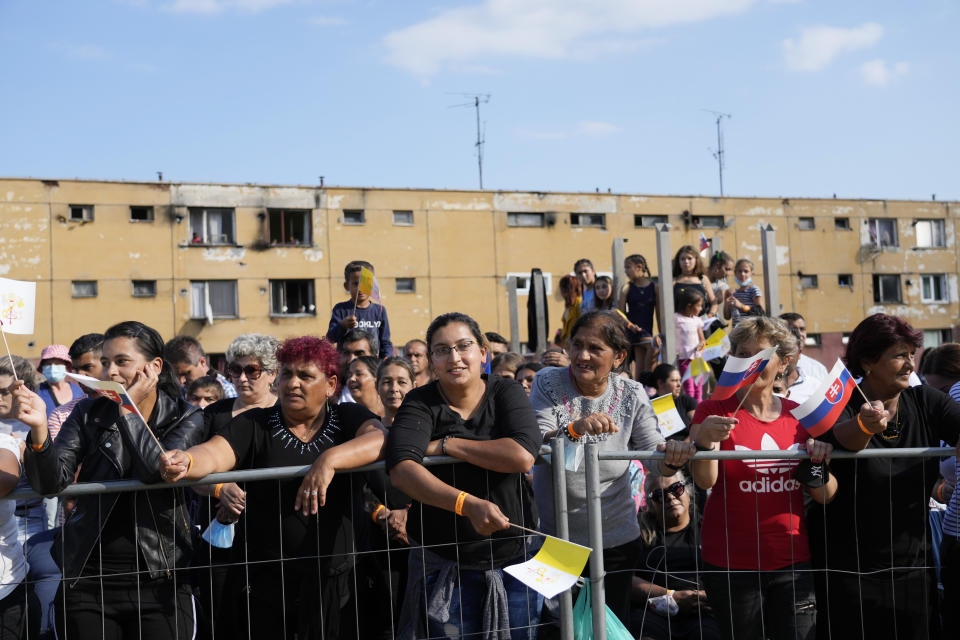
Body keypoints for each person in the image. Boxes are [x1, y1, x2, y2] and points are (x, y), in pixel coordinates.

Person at [160, 336, 386, 638]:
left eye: (305, 376)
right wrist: (185, 460)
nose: (293, 383)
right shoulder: (257, 423)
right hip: (269, 579)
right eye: (287, 374)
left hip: (338, 579)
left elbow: (380, 439)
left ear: (331, 385)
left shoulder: (347, 418)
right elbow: (215, 452)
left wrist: (330, 459)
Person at [16, 320, 206, 640]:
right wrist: (38, 434)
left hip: (161, 580)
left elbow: (154, 472)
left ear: (154, 366)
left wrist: (127, 411)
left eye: (122, 361)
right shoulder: (88, 412)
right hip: (88, 579)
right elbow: (51, 483)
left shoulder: (185, 416)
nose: (111, 372)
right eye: (106, 362)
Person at [531, 311, 695, 624]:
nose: (582, 355)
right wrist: (574, 429)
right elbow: (538, 442)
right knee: (559, 627)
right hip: (558, 538)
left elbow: (653, 453)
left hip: (616, 538)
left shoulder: (632, 393)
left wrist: (673, 452)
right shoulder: (547, 381)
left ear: (619, 356)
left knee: (609, 625)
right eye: (576, 345)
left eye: (595, 348)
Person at [386, 312, 543, 639]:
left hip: (515, 558)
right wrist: (466, 504)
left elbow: (521, 454)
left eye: (464, 346)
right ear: (431, 360)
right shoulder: (420, 402)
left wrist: (449, 444)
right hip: (445, 564)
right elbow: (402, 468)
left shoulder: (506, 392)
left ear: (483, 353)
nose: (454, 358)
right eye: (442, 350)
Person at [808, 314, 960, 640]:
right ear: (868, 361)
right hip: (848, 570)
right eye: (899, 355)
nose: (910, 364)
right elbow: (832, 448)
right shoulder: (839, 403)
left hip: (913, 567)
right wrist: (864, 426)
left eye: (911, 354)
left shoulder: (925, 400)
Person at [689, 315, 836, 640]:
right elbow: (705, 481)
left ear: (784, 362)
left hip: (792, 561)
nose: (749, 363)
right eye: (741, 355)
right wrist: (705, 439)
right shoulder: (713, 410)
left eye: (759, 355)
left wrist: (817, 460)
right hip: (729, 563)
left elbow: (825, 494)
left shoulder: (801, 415)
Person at [193, 332, 279, 639]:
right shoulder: (212, 415)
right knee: (220, 614)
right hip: (218, 533)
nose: (242, 378)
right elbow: (189, 472)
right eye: (235, 370)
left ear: (272, 373)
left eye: (251, 370)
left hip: (273, 534)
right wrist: (219, 488)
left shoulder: (287, 413)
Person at [631, 472, 720, 640]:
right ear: (649, 504)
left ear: (687, 491)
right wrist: (671, 596)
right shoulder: (640, 534)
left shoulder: (710, 527)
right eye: (659, 495)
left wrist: (709, 595)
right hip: (652, 610)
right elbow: (628, 579)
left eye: (676, 488)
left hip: (703, 609)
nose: (670, 498)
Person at [919, 342, 960, 635]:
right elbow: (941, 477)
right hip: (952, 526)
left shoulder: (958, 393)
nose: (941, 401)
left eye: (943, 392)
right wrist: (941, 488)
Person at [326, 260, 393, 358]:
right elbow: (330, 338)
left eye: (365, 283)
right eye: (356, 284)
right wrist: (342, 326)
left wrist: (387, 357)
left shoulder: (380, 310)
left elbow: (385, 341)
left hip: (372, 365)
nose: (360, 288)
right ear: (346, 286)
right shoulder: (340, 309)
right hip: (348, 363)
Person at [619, 253, 659, 379]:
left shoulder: (654, 287)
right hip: (633, 331)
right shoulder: (627, 288)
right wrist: (630, 326)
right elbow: (620, 314)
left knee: (639, 372)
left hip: (647, 330)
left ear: (639, 267)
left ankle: (644, 385)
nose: (625, 271)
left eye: (628, 267)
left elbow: (659, 313)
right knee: (653, 345)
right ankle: (649, 380)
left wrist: (662, 333)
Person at [163, 335, 237, 398]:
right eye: (176, 375)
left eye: (187, 373)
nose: (181, 381)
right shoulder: (179, 393)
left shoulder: (227, 392)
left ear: (202, 362)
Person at [777, 312, 828, 403]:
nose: (800, 334)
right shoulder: (766, 377)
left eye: (802, 329)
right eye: (793, 329)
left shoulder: (818, 369)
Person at [674, 287, 706, 402]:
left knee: (698, 387)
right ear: (689, 305)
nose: (701, 308)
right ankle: (691, 410)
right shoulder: (676, 318)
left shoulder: (696, 320)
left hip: (697, 359)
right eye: (699, 305)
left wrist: (701, 345)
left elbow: (702, 339)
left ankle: (699, 409)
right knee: (689, 387)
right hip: (684, 359)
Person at [35, 344, 83, 418]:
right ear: (43, 367)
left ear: (66, 366)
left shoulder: (78, 391)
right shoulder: (37, 392)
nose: (52, 367)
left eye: (57, 363)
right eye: (48, 364)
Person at [643, 364, 697, 429]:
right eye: (674, 380)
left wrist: (684, 440)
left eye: (680, 380)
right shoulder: (649, 405)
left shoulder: (687, 402)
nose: (679, 384)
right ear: (660, 383)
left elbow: (697, 429)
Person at [672, 245, 717, 318]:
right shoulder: (673, 280)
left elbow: (714, 302)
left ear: (696, 260)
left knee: (721, 330)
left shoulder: (703, 279)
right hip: (680, 324)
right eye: (682, 259)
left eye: (689, 258)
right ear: (678, 261)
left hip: (702, 324)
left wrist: (710, 316)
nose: (686, 262)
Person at [336, 328, 377, 403]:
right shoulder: (328, 394)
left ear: (374, 358)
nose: (351, 359)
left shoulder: (388, 397)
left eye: (359, 354)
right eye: (346, 353)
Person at [724, 258, 763, 325]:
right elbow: (727, 317)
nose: (742, 274)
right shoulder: (734, 293)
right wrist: (726, 300)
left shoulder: (754, 290)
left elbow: (760, 313)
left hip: (750, 331)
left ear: (752, 274)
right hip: (737, 332)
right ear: (735, 273)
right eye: (739, 271)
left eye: (746, 271)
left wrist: (741, 306)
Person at [555, 274, 582, 349]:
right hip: (566, 344)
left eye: (563, 288)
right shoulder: (568, 305)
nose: (561, 292)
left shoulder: (579, 303)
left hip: (574, 344)